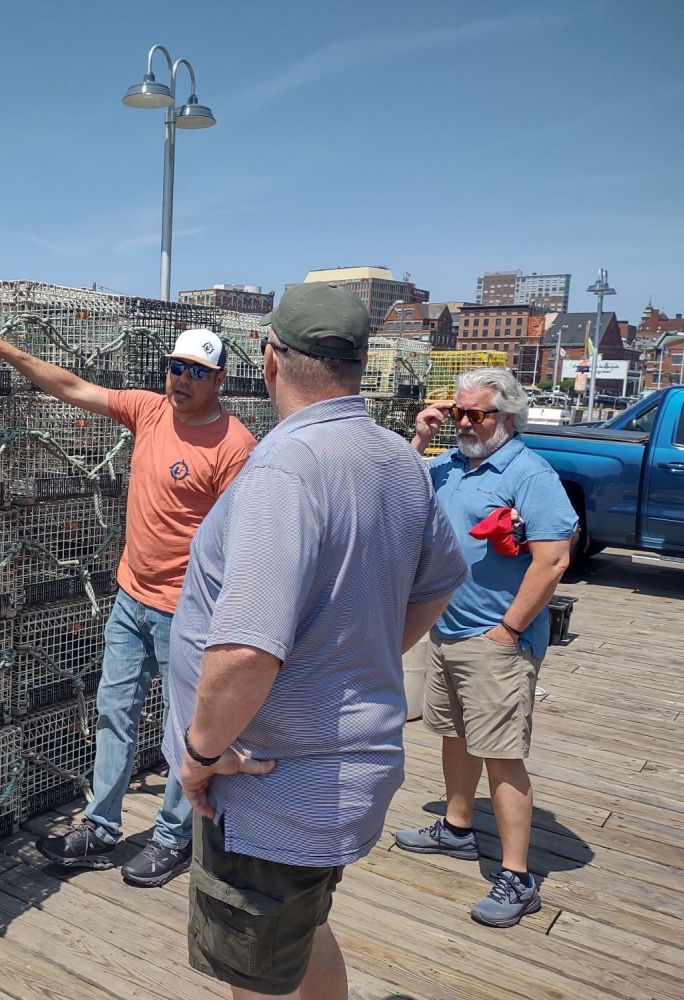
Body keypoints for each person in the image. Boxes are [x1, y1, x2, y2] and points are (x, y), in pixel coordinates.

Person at [166, 282, 468, 999]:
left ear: (269, 361)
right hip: (339, 773)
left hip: (268, 783)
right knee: (302, 930)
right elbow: (439, 580)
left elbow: (245, 650)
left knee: (256, 973)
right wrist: (355, 654)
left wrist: (200, 754)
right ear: (359, 362)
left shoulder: (282, 469)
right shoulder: (397, 458)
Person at [0, 305, 257, 888]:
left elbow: (240, 540)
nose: (182, 380)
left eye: (197, 372)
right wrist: (3, 350)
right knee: (113, 711)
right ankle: (101, 826)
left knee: (183, 729)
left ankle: (175, 837)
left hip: (187, 611)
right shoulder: (147, 411)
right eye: (175, 367)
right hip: (130, 596)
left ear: (219, 380)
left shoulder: (233, 446)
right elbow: (71, 387)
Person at [394, 369, 577, 928]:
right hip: (446, 631)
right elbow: (395, 487)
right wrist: (422, 437)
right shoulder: (449, 465)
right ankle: (456, 827)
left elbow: (554, 560)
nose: (467, 424)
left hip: (496, 641)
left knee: (500, 752)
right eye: (460, 413)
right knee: (453, 732)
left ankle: (519, 877)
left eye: (479, 414)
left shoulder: (529, 474)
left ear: (508, 416)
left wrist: (508, 629)